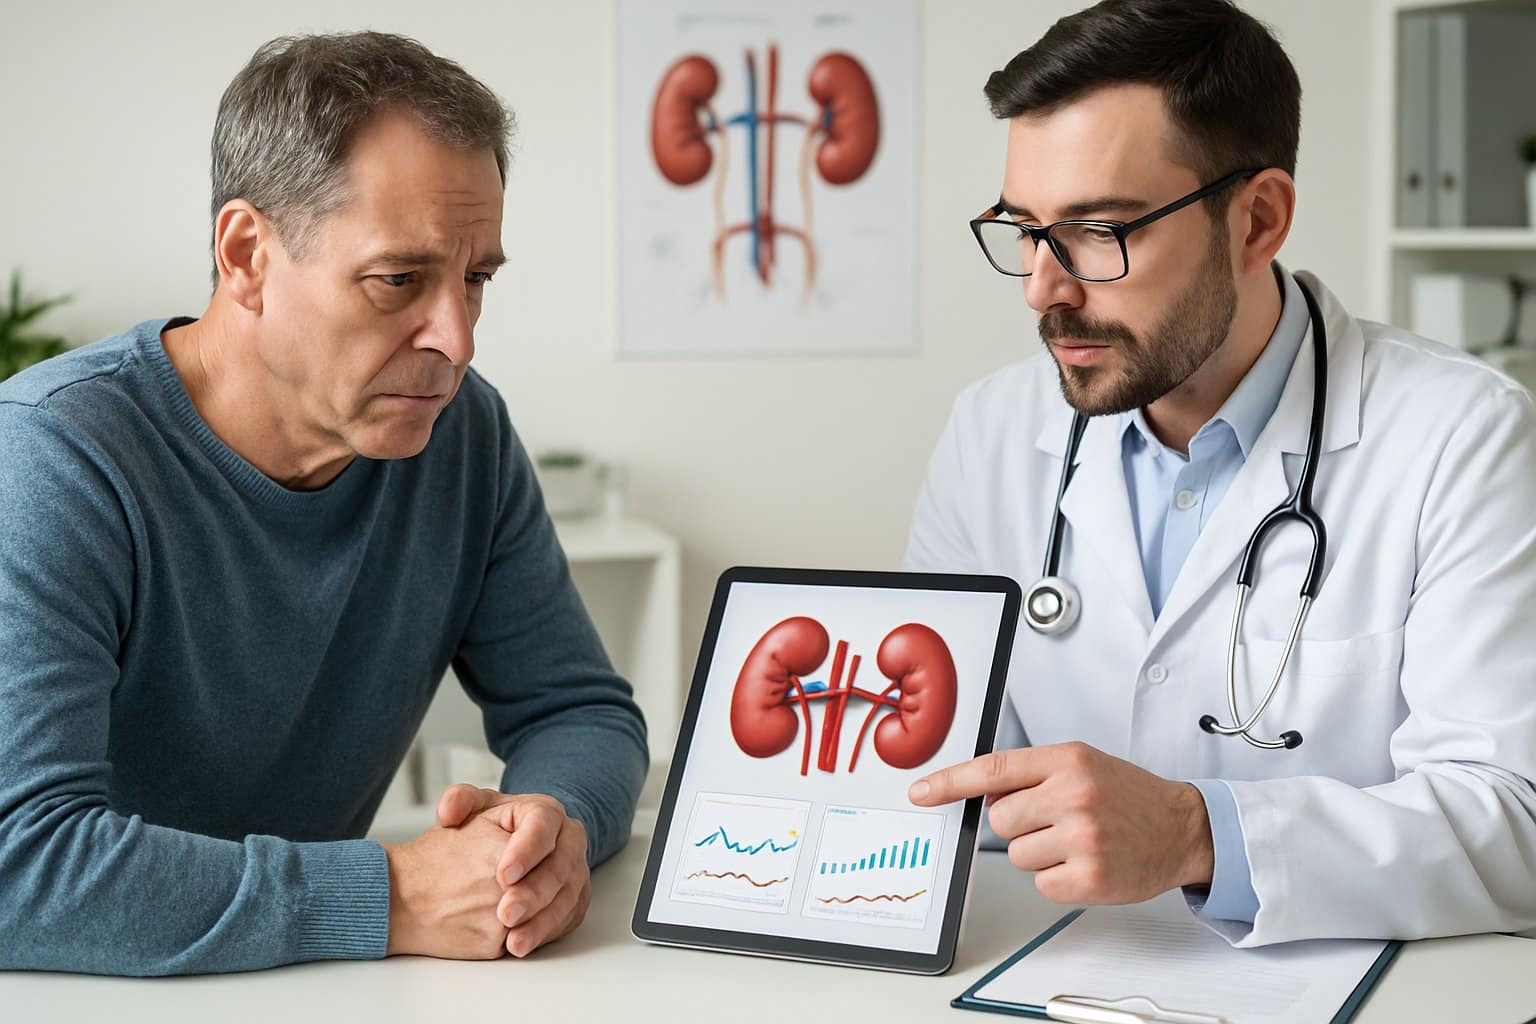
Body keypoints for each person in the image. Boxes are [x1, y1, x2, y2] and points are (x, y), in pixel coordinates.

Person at [0, 31, 647, 975]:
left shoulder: (459, 435)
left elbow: (581, 712)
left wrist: (547, 836)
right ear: (247, 254)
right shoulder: (53, 458)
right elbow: (22, 861)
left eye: (477, 279)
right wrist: (394, 896)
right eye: (400, 280)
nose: (457, 340)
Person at [904, 0, 1536, 946]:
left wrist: (1196, 835)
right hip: (1052, 971)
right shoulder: (991, 429)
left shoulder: (1462, 435)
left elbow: (1517, 822)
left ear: (1258, 220)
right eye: (1025, 228)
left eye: (1101, 232)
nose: (1044, 287)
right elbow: (939, 765)